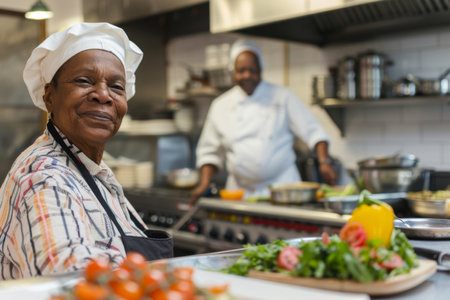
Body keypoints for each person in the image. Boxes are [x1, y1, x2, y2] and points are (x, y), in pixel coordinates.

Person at [0, 22, 173, 280]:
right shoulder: (45, 176)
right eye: (84, 81)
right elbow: (66, 278)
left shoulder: (96, 172)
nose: (103, 95)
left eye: (116, 86)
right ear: (50, 97)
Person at [191, 40, 337, 204]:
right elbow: (209, 152)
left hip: (283, 189)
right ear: (233, 72)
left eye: (253, 70)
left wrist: (324, 161)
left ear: (261, 70)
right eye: (241, 71)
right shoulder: (220, 105)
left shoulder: (283, 97)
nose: (247, 76)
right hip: (239, 194)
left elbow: (314, 131)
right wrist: (204, 183)